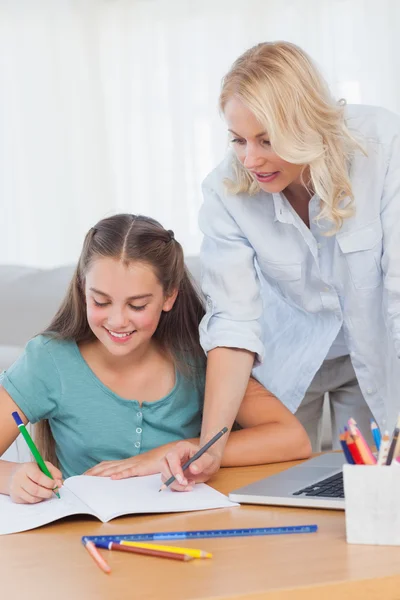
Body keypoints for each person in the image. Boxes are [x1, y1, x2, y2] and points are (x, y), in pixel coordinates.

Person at [161, 40, 400, 489]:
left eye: (267, 140)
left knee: (377, 492)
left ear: (307, 126)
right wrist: (211, 444)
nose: (250, 159)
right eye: (238, 140)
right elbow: (232, 320)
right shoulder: (225, 193)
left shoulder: (383, 147)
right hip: (288, 360)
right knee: (280, 490)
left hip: (377, 351)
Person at [0, 214, 310, 503]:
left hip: (190, 536)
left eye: (136, 305)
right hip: (87, 541)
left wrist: (178, 452)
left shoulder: (199, 358)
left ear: (169, 296)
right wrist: (12, 476)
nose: (118, 320)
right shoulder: (49, 360)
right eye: (101, 301)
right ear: (83, 289)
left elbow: (292, 438)